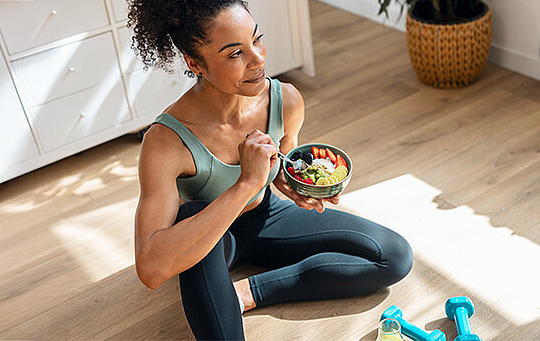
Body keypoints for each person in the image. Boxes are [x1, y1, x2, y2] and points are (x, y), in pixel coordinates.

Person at [128, 1, 413, 339]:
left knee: (395, 256)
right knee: (192, 213)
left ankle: (249, 292)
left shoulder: (285, 99)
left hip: (266, 216)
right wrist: (246, 182)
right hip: (208, 236)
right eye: (235, 54)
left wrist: (296, 184)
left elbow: (282, 163)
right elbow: (151, 268)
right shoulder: (166, 140)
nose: (258, 58)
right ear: (195, 64)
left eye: (256, 39)